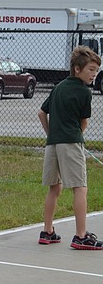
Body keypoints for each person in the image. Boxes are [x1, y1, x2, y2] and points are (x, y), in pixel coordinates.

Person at [37, 45, 102, 250]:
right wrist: (74, 138)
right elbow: (84, 123)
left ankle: (47, 232)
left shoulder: (58, 87)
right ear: (77, 68)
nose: (94, 74)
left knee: (54, 187)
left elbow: (41, 113)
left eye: (96, 70)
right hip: (71, 142)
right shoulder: (84, 92)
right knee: (80, 188)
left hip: (52, 144)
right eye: (91, 69)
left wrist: (52, 135)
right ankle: (81, 236)